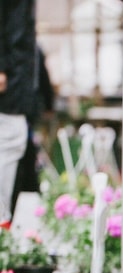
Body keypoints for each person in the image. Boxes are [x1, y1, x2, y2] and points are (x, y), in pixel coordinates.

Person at [0, 0, 37, 229]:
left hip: (16, 78)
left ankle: (3, 220)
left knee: (12, 141)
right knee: (9, 139)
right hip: (10, 82)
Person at [11, 44, 55, 217]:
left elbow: (43, 78)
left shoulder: (32, 49)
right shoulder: (33, 49)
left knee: (22, 157)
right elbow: (43, 78)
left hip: (22, 111)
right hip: (22, 111)